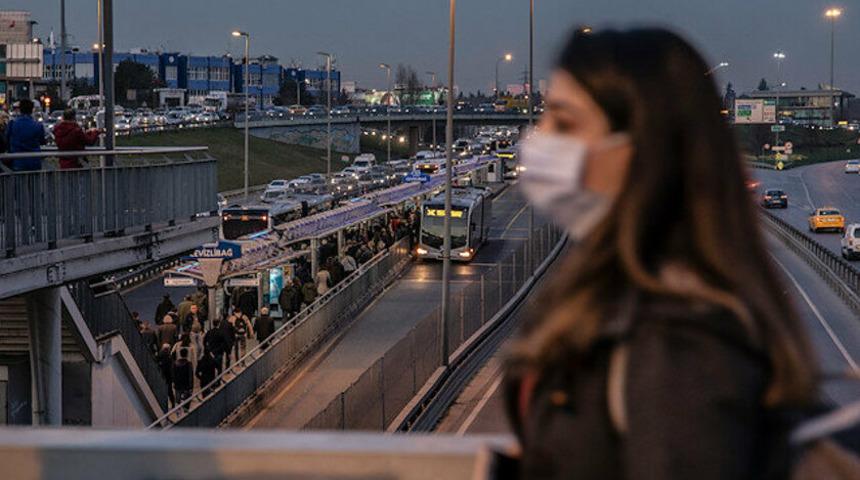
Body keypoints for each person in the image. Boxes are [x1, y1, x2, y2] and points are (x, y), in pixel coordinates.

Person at [504, 28, 817, 480]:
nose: (537, 140)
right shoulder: (615, 292)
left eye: (565, 123)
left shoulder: (682, 347)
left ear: (642, 151)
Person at [5, 99, 46, 171]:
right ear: (32, 110)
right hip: (34, 161)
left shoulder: (12, 124)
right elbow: (42, 141)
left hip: (17, 161)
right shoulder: (38, 125)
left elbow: (7, 139)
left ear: (20, 109)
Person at [170, 334, 196, 405]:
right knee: (187, 390)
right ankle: (186, 405)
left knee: (178, 392)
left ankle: (178, 407)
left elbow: (172, 353)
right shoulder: (192, 346)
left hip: (178, 367)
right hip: (188, 369)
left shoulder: (177, 345)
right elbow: (194, 359)